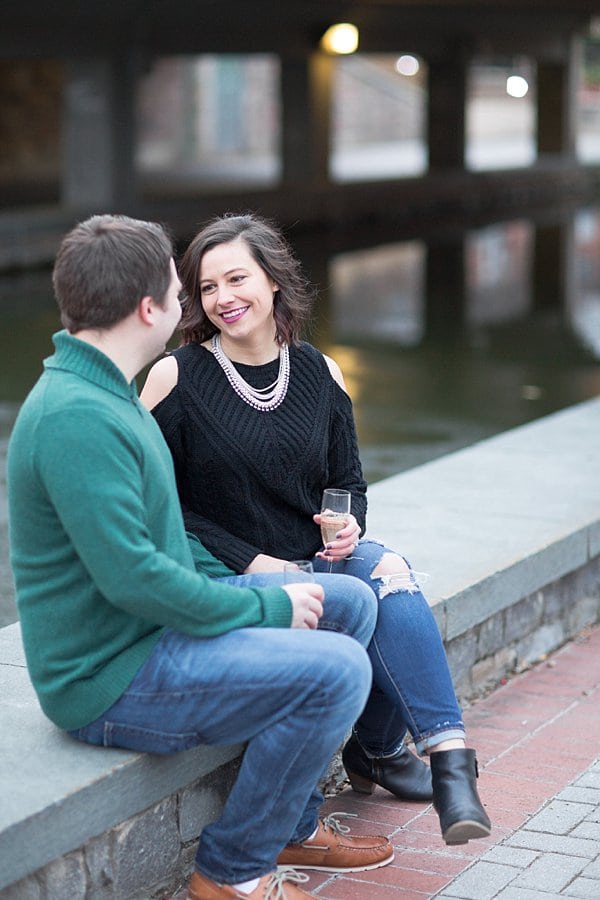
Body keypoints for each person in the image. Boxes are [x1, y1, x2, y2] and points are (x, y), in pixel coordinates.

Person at [7, 214, 397, 900]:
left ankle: (293, 823)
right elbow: (136, 580)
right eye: (180, 288)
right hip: (108, 672)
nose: (195, 302)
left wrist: (258, 580)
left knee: (351, 603)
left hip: (150, 632)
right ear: (149, 308)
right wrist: (264, 601)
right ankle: (233, 871)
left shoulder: (108, 390)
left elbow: (167, 546)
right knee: (336, 672)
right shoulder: (77, 415)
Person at [141, 212, 492, 847]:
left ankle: (449, 761)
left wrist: (348, 526)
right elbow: (153, 501)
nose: (224, 299)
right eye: (208, 287)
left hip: (315, 558)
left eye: (237, 279)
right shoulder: (176, 375)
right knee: (363, 597)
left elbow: (350, 480)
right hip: (233, 573)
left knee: (387, 570)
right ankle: (382, 755)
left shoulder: (320, 373)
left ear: (273, 280)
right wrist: (250, 559)